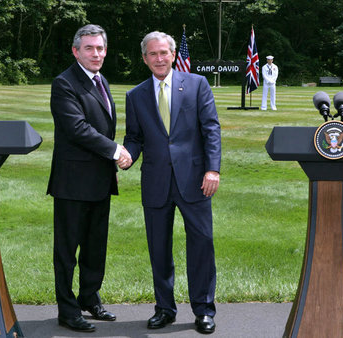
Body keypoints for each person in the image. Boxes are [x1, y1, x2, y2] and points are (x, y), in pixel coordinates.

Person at [121, 31, 221, 334]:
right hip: (156, 182)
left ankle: (203, 309)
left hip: (195, 180)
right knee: (159, 248)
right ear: (144, 58)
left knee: (202, 244)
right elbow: (135, 137)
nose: (159, 58)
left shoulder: (196, 84)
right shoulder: (135, 95)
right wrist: (127, 156)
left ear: (173, 54)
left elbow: (211, 129)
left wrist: (212, 170)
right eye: (152, 54)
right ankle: (165, 309)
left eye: (163, 52)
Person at [47, 24, 132, 333]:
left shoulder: (102, 80)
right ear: (75, 51)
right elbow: (77, 128)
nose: (96, 53)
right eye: (89, 48)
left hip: (99, 181)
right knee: (67, 251)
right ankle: (67, 311)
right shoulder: (64, 83)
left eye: (100, 48)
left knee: (96, 247)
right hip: (71, 183)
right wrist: (115, 151)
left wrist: (113, 155)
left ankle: (89, 298)